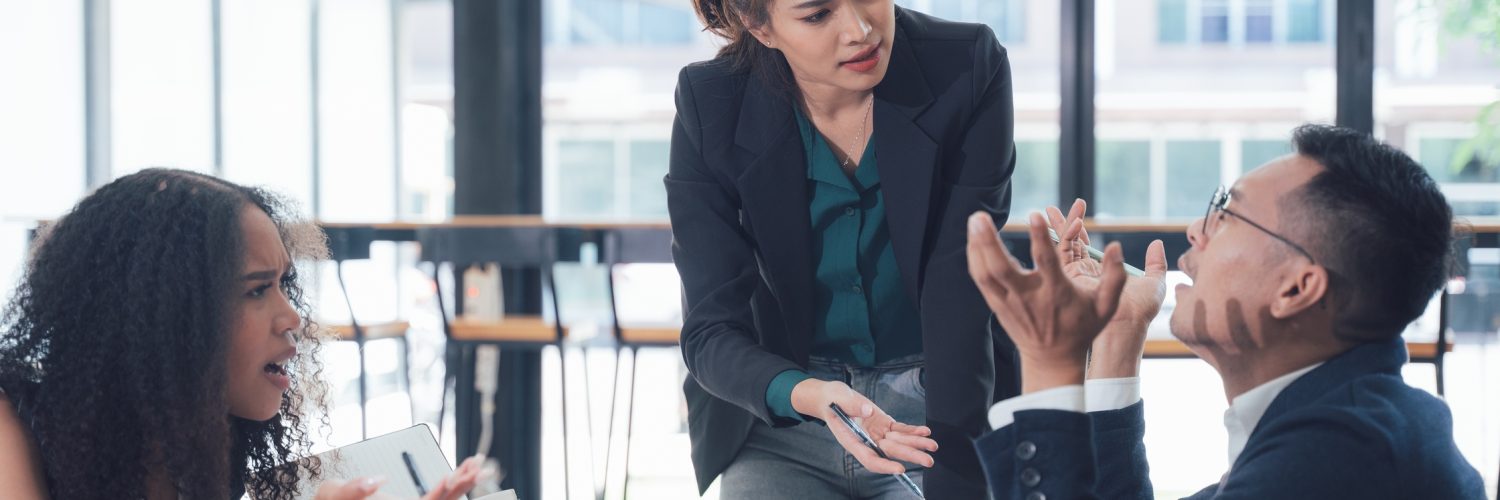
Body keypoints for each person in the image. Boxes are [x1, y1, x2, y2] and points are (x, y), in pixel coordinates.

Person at [965, 124, 1487, 499]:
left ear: (1297, 288)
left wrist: (1049, 363)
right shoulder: (1349, 419)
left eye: (1228, 214)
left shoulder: (1338, 459)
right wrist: (1118, 334)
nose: (1197, 230)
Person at [667, 0, 1019, 496]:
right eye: (817, 14)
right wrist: (803, 393)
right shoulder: (711, 100)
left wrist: (957, 479)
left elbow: (959, 292)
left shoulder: (966, 66)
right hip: (785, 418)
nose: (860, 30)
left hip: (936, 409)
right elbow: (710, 329)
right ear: (759, 26)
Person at [0, 169, 482, 500]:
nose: (292, 318)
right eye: (256, 290)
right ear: (164, 315)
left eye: (283, 285)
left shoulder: (201, 445)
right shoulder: (10, 423)